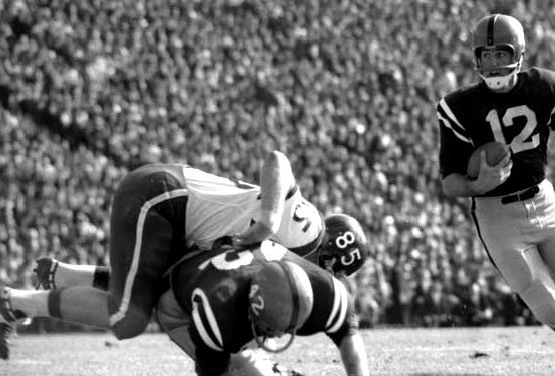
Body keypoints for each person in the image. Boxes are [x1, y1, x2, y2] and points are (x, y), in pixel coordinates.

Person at [0, 150, 367, 359]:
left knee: (159, 294)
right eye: (333, 274)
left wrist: (249, 364)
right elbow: (277, 160)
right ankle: (14, 302)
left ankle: (59, 278)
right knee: (127, 318)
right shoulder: (308, 233)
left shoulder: (281, 265)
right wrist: (269, 218)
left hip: (176, 218)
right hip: (164, 198)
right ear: (332, 258)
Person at [437, 14, 555, 374]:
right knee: (545, 304)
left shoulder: (545, 86)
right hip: (497, 216)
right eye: (486, 55)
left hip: (543, 201)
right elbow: (449, 181)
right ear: (476, 57)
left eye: (500, 54)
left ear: (519, 53)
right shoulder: (458, 107)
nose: (492, 63)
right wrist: (477, 186)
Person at [5, 239, 372, 376]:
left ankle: (46, 285)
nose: (277, 335)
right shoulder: (221, 306)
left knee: (138, 287)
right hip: (182, 297)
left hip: (201, 250)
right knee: (134, 310)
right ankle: (21, 301)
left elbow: (348, 333)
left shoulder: (325, 292)